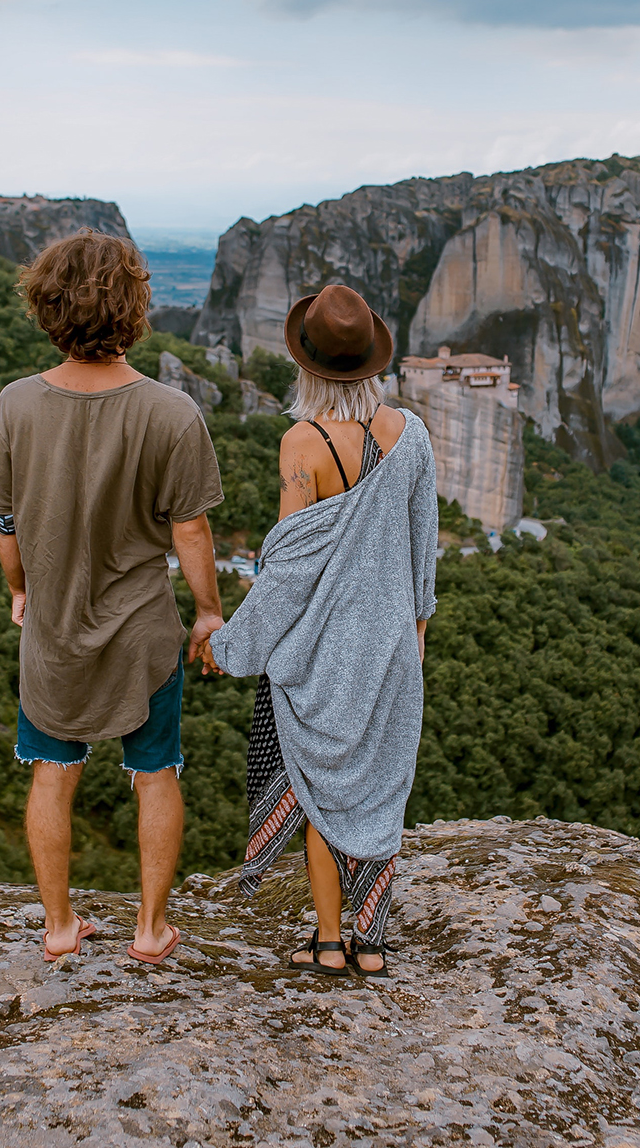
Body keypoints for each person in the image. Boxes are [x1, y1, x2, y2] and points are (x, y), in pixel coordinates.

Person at [0, 230, 227, 966]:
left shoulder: (15, 405)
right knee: (156, 772)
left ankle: (59, 926)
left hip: (53, 629)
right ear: (134, 307)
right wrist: (210, 610)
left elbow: (5, 525)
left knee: (50, 773)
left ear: (47, 305)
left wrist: (20, 589)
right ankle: (150, 930)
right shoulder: (171, 412)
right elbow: (190, 530)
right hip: (142, 633)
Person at [207, 284, 437, 977]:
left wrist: (230, 646)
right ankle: (373, 943)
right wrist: (416, 639)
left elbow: (286, 572)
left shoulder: (301, 444)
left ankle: (331, 941)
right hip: (394, 645)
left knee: (318, 791)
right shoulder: (413, 434)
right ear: (372, 360)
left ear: (308, 364)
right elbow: (423, 553)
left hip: (323, 650)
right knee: (379, 786)